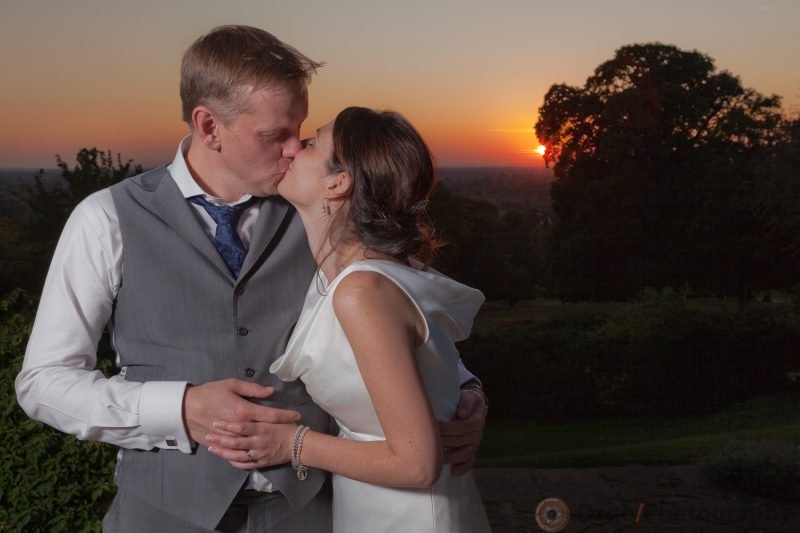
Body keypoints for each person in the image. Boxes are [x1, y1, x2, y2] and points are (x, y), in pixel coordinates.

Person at [14, 25, 487, 532]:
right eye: (274, 135)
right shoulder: (105, 218)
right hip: (162, 514)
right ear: (209, 126)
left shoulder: (324, 213)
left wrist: (467, 394)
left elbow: (411, 315)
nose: (292, 149)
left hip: (311, 513)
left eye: (299, 130)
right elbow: (43, 383)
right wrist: (179, 406)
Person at [204, 107, 491, 532]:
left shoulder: (362, 292)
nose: (292, 147)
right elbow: (430, 364)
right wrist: (472, 391)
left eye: (311, 143)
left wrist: (292, 443)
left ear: (338, 182)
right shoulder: (357, 273)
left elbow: (417, 464)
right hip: (368, 505)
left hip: (409, 516)